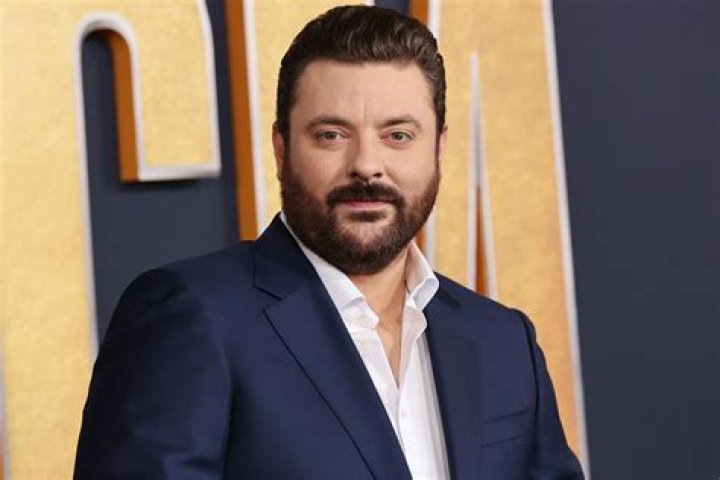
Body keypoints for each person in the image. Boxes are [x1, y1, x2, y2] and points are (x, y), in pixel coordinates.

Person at [74, 5, 583, 479]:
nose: (367, 165)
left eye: (398, 135)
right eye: (331, 135)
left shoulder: (503, 341)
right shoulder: (194, 317)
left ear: (439, 148)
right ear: (281, 150)